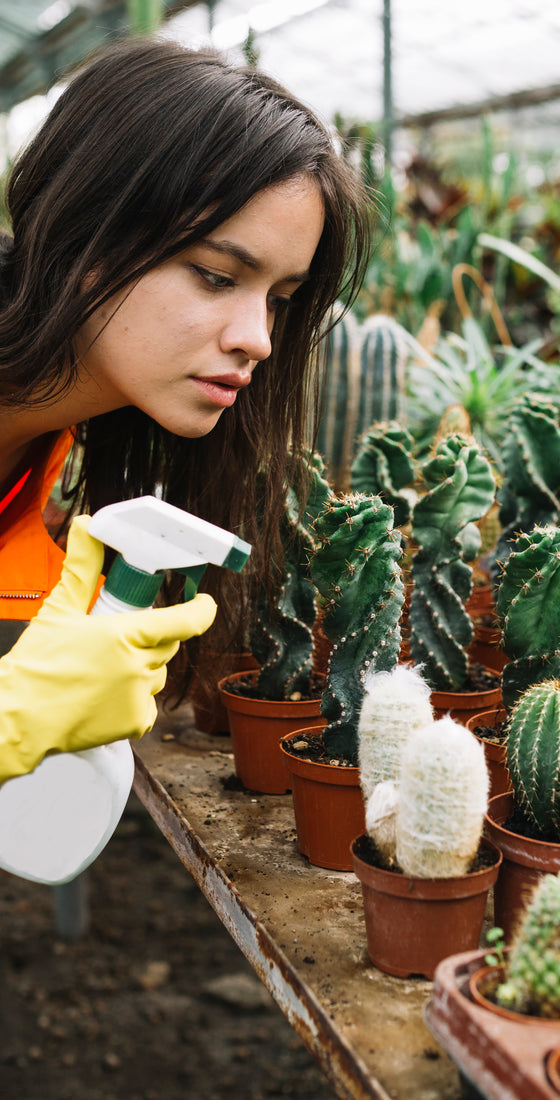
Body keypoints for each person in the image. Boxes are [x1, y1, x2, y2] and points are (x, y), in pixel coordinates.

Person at [0, 36, 371, 784]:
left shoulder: (51, 435)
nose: (258, 340)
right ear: (84, 235)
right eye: (213, 276)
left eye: (280, 299)